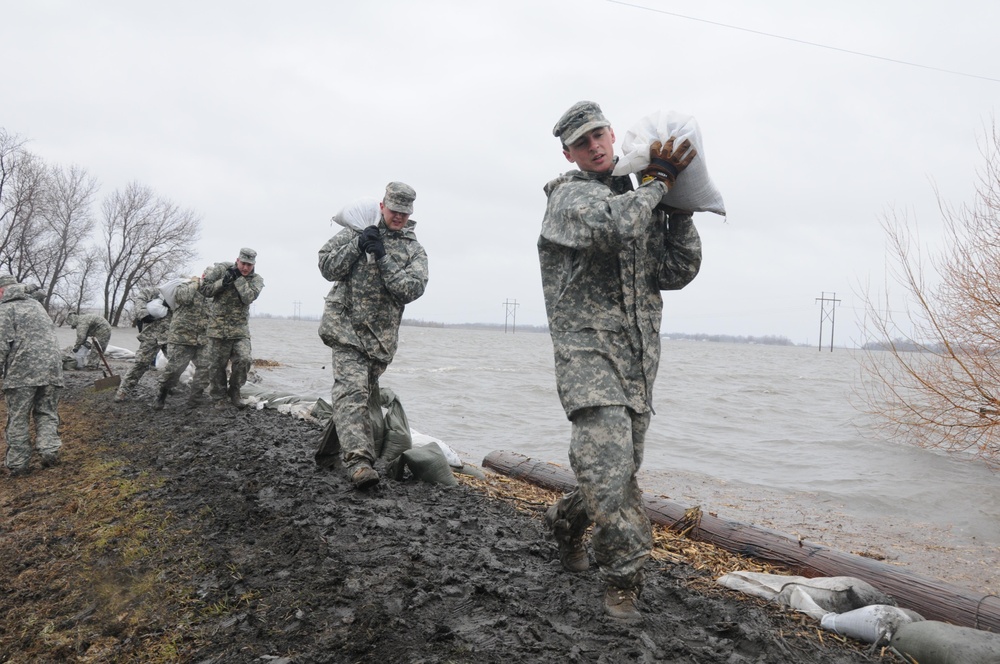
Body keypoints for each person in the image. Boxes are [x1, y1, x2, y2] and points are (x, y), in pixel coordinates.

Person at [538, 101, 702, 620]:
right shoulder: (569, 199)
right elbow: (613, 226)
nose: (595, 147)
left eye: (599, 136)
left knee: (616, 470)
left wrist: (679, 213)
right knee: (609, 472)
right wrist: (658, 186)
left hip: (636, 363)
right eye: (582, 143)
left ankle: (565, 521)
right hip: (588, 358)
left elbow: (675, 271)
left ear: (612, 134)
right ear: (569, 152)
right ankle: (623, 581)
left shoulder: (640, 203)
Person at [317, 182, 429, 490]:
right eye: (394, 211)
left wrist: (383, 257)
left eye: (404, 213)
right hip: (345, 329)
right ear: (382, 206)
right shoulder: (358, 230)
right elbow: (326, 266)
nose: (399, 218)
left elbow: (411, 289)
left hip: (379, 340)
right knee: (351, 392)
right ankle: (359, 463)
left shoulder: (412, 250)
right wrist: (357, 246)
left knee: (356, 395)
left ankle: (326, 454)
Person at [0, 282, 64, 476]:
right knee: (46, 412)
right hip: (53, 370)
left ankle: (18, 464)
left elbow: (1, 345)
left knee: (18, 417)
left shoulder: (5, 309)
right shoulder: (36, 305)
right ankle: (49, 450)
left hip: (22, 373)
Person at [198, 248, 264, 409]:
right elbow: (204, 289)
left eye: (249, 265)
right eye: (243, 264)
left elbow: (248, 298)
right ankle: (219, 397)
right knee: (216, 365)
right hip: (217, 328)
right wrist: (223, 281)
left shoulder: (256, 280)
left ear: (254, 264)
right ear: (237, 260)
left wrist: (238, 279)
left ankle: (234, 391)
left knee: (244, 359)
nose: (246, 268)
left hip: (239, 330)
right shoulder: (221, 270)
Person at [152, 276, 211, 410]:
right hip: (182, 338)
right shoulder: (185, 286)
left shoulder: (212, 293)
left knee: (205, 368)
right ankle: (162, 394)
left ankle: (195, 399)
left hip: (202, 339)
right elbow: (183, 298)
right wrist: (196, 283)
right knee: (174, 369)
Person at [115, 285, 172, 402]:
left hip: (171, 336)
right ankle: (123, 390)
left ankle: (170, 389)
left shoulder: (179, 296)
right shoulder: (154, 291)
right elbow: (140, 299)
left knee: (176, 364)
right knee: (141, 363)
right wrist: (144, 315)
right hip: (151, 334)